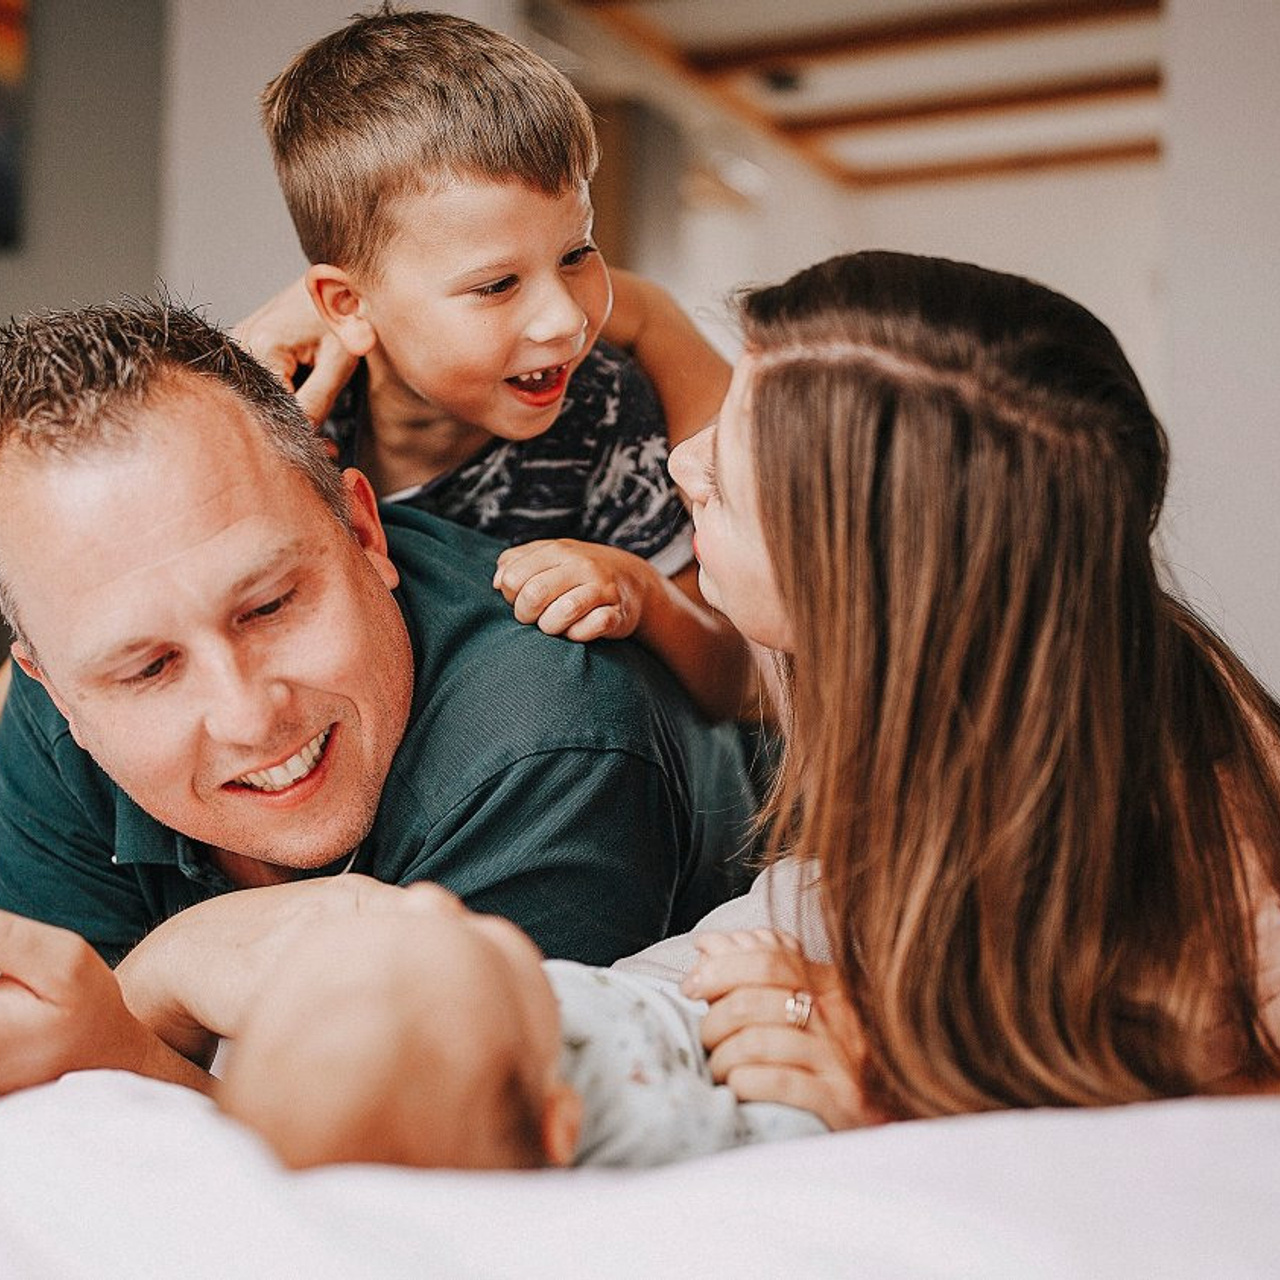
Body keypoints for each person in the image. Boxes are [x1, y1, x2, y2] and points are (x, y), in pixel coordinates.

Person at [646, 250, 1280, 1124]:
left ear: (860, 592)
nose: (682, 462)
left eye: (724, 487)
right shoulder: (997, 713)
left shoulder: (1220, 890)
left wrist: (904, 1088)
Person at [0, 297, 754, 978]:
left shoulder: (554, 744)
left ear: (363, 531)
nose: (250, 718)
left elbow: (419, 1124)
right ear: (52, 686)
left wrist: (161, 980)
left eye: (268, 607)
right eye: (149, 669)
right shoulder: (55, 716)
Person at [242, 6, 748, 721]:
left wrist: (642, 593)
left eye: (578, 254)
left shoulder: (605, 414)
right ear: (345, 305)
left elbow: (739, 683)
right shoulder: (285, 409)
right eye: (495, 286)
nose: (566, 320)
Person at [105, 876, 827, 1170]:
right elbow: (792, 1129)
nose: (423, 894)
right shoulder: (642, 1122)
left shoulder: (459, 1039)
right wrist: (776, 996)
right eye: (470, 937)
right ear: (560, 1126)